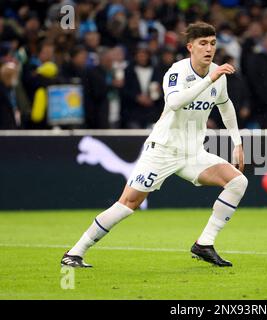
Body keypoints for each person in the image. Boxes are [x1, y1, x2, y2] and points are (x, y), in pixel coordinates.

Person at [61, 22, 248, 268]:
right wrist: (209, 79)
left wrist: (237, 142)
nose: (209, 48)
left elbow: (225, 105)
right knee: (128, 204)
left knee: (237, 181)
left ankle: (204, 243)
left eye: (212, 43)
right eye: (203, 43)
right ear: (190, 47)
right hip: (162, 149)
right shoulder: (176, 72)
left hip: (192, 153)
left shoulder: (217, 74)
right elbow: (174, 103)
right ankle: (74, 253)